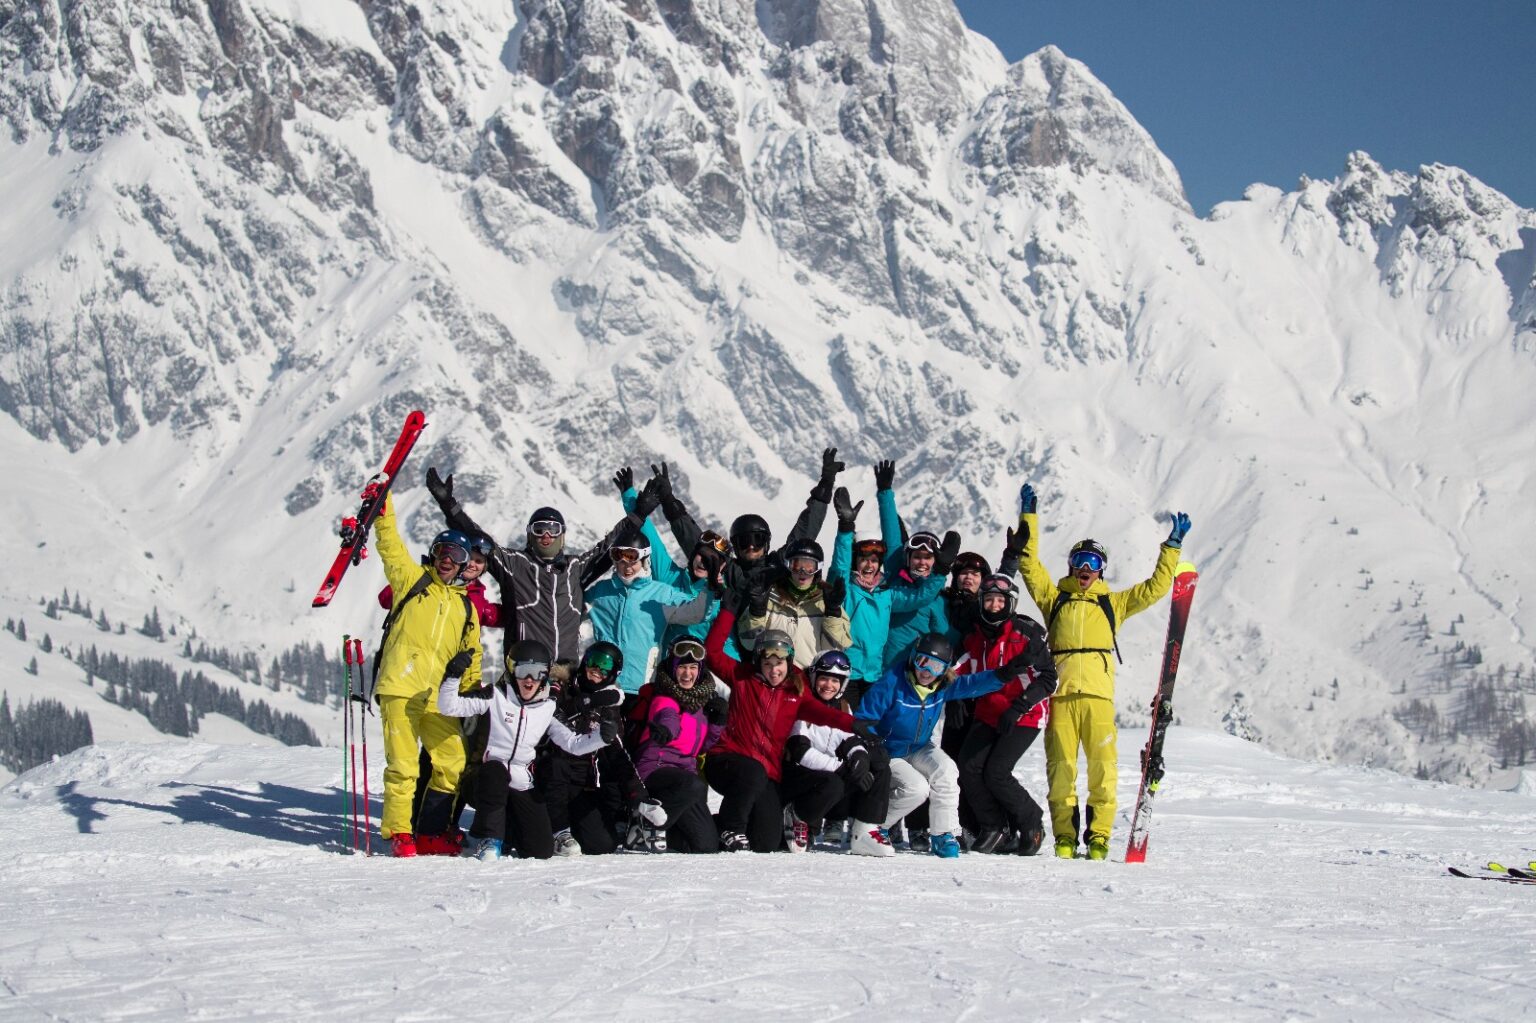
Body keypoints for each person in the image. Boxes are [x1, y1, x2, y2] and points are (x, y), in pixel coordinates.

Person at [1014, 483, 1190, 860]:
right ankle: (1064, 836)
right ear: (1071, 566)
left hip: (1097, 697)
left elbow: (1156, 588)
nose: (1085, 570)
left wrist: (1171, 547)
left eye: (1093, 564)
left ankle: (1098, 837)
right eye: (1080, 562)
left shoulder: (1114, 604)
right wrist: (1028, 515)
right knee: (1060, 770)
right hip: (1060, 696)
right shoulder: (1054, 598)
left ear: (1102, 571)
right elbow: (1029, 566)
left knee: (1102, 770)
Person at [425, 467, 637, 661]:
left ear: (562, 535)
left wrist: (637, 516)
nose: (546, 535)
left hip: (565, 675)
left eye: (553, 529)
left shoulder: (575, 569)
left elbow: (608, 549)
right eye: (539, 529)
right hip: (524, 672)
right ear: (529, 535)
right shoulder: (515, 565)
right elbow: (479, 538)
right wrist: (449, 506)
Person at [854, 632, 1036, 858]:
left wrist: (1004, 673)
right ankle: (872, 826)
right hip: (890, 750)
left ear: (945, 670)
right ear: (912, 658)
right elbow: (864, 719)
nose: (926, 672)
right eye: (922, 662)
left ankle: (942, 835)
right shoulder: (893, 682)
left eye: (936, 667)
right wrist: (872, 747)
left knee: (947, 770)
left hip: (919, 747)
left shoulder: (941, 686)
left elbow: (972, 684)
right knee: (916, 789)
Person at [701, 600, 864, 852]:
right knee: (752, 771)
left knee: (766, 842)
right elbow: (711, 653)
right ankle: (732, 827)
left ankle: (709, 826)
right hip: (727, 760)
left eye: (779, 664)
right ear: (759, 663)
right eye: (767, 664)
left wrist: (854, 724)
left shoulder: (794, 692)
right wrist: (729, 610)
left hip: (766, 773)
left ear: (788, 663)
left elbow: (822, 713)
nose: (773, 670)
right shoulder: (743, 678)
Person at [370, 495, 483, 858]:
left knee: (452, 762)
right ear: (434, 554)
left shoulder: (466, 607)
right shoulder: (412, 580)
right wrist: (381, 503)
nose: (449, 560)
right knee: (403, 765)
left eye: (457, 556)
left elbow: (472, 656)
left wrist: (470, 699)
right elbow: (390, 544)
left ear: (466, 564)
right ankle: (399, 831)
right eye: (443, 552)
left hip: (439, 698)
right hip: (401, 688)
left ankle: (431, 832)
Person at [435, 639, 611, 860]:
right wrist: (452, 676)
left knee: (541, 851)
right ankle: (489, 838)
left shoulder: (547, 708)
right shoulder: (494, 696)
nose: (530, 679)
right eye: (524, 671)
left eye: (538, 673)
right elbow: (448, 706)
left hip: (520, 782)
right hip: (484, 779)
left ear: (546, 675)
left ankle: (505, 832)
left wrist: (601, 738)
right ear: (511, 670)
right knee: (495, 771)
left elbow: (573, 744)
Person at [953, 574, 1058, 855]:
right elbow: (958, 670)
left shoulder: (1027, 633)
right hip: (988, 712)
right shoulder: (975, 637)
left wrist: (1020, 706)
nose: (995, 605)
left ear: (1011, 603)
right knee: (969, 767)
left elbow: (1049, 679)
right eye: (989, 599)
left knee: (997, 772)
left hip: (1025, 714)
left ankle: (1031, 821)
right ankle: (994, 827)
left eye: (1001, 600)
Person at [827, 476, 948, 705]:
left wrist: (940, 571)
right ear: (856, 561)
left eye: (874, 560)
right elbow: (838, 568)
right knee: (844, 728)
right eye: (864, 559)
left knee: (870, 731)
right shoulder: (847, 588)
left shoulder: (887, 592)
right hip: (846, 672)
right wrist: (845, 530)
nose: (869, 565)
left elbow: (919, 597)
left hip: (874, 676)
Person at [781, 650, 896, 857]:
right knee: (833, 783)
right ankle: (798, 815)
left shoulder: (842, 705)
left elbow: (848, 740)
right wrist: (841, 768)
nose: (829, 685)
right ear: (814, 677)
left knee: (878, 766)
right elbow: (800, 751)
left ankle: (865, 831)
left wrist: (859, 756)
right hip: (799, 778)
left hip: (828, 775)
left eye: (835, 680)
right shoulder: (803, 702)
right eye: (824, 678)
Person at [583, 524, 712, 695]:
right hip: (602, 684)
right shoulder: (601, 591)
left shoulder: (662, 594)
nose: (626, 567)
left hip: (641, 688)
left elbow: (696, 613)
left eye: (632, 560)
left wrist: (711, 589)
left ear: (645, 560)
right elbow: (569, 613)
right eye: (620, 561)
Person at [629, 637, 728, 853]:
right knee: (694, 785)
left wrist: (718, 723)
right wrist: (665, 731)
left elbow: (701, 747)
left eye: (693, 667)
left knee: (706, 846)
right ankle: (642, 824)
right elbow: (668, 717)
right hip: (656, 768)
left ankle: (662, 829)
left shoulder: (701, 704)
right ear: (672, 668)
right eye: (682, 667)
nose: (687, 674)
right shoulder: (664, 697)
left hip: (683, 778)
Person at [537, 642, 628, 856]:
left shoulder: (608, 703)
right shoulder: (561, 685)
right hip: (549, 770)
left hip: (581, 780)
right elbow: (548, 713)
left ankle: (572, 824)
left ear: (614, 673)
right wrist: (585, 702)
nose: (597, 670)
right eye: (594, 661)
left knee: (602, 845)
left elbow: (616, 750)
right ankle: (558, 830)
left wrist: (636, 796)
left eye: (605, 666)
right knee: (557, 764)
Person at [740, 539, 851, 667]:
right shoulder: (770, 597)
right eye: (796, 565)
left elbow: (835, 650)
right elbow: (749, 643)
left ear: (818, 568)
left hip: (809, 679)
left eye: (809, 567)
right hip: (775, 676)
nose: (802, 572)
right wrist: (757, 611)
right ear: (788, 566)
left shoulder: (826, 601)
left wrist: (832, 613)